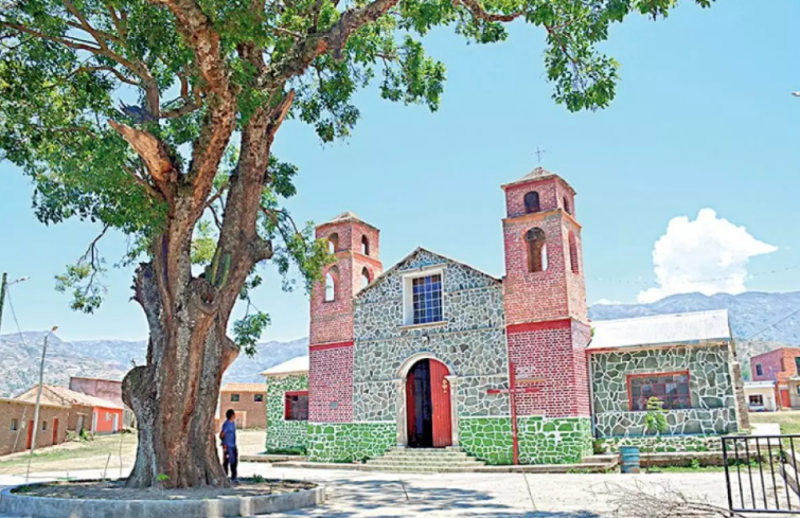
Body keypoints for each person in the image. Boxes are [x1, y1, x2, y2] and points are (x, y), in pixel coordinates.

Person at [220, 409, 238, 483]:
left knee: (234, 461)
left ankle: (234, 477)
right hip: (227, 446)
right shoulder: (226, 424)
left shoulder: (233, 423)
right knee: (226, 461)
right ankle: (225, 476)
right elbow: (222, 434)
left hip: (233, 445)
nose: (235, 415)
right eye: (234, 414)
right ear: (231, 415)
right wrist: (224, 443)